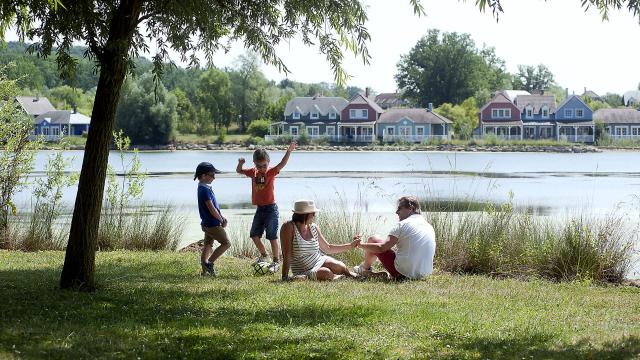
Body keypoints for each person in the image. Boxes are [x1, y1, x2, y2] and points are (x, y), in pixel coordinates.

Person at [236, 142, 296, 273]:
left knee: (272, 236)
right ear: (254, 164)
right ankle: (264, 256)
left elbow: (282, 164)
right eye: (259, 165)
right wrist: (240, 163)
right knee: (254, 235)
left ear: (268, 162)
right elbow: (239, 171)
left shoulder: (271, 172)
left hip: (271, 209)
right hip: (260, 209)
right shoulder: (253, 173)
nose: (262, 168)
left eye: (264, 165)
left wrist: (289, 151)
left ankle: (276, 261)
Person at [354, 196, 435, 280]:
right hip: (425, 274)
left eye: (400, 208)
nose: (397, 212)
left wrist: (360, 245)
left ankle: (364, 269)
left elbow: (381, 248)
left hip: (403, 275)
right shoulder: (429, 226)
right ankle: (366, 269)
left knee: (373, 239)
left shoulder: (402, 224)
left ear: (411, 208)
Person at [280, 199, 360, 281]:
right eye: (313, 213)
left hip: (319, 260)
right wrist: (284, 276)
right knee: (325, 273)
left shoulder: (313, 227)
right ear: (305, 215)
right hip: (303, 270)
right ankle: (302, 277)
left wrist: (351, 245)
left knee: (339, 266)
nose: (314, 216)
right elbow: (287, 253)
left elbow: (328, 248)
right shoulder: (288, 227)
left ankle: (352, 275)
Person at [194, 162, 231, 277]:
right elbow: (211, 208)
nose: (214, 177)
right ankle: (209, 263)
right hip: (212, 224)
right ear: (204, 175)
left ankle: (204, 270)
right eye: (212, 175)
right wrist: (221, 220)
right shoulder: (204, 190)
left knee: (208, 244)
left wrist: (221, 216)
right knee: (226, 243)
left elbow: (214, 208)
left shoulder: (203, 188)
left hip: (207, 223)